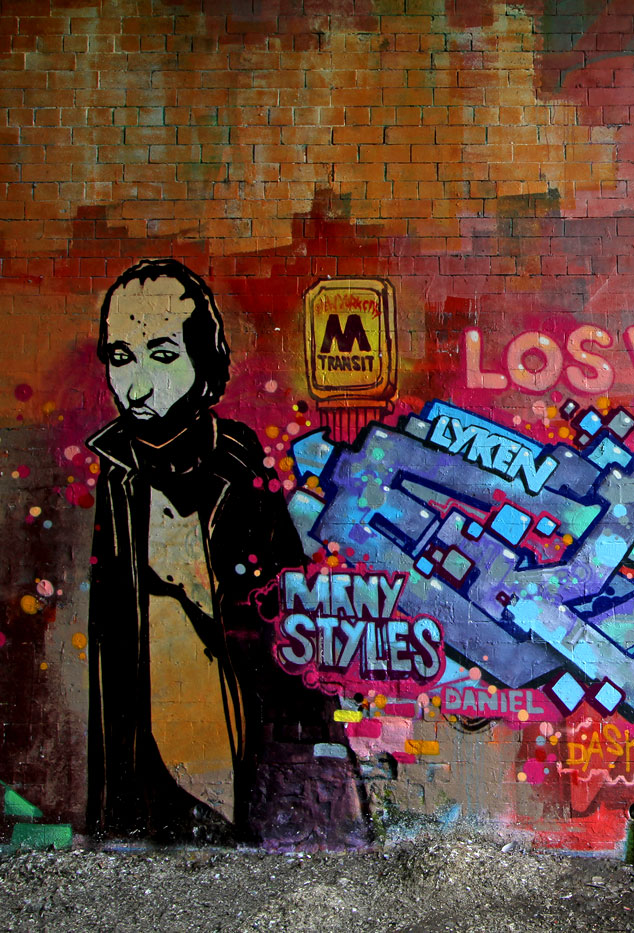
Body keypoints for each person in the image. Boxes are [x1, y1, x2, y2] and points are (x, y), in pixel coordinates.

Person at [86, 259, 366, 845]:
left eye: (162, 356)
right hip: (152, 734)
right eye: (120, 357)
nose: (135, 387)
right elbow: (113, 638)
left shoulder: (236, 461)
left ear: (203, 360)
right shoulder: (119, 470)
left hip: (242, 734)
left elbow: (285, 614)